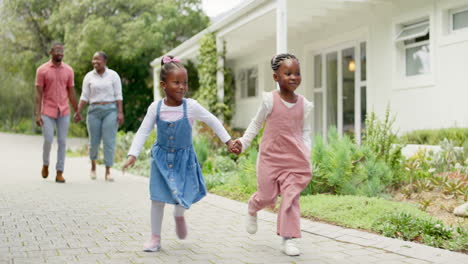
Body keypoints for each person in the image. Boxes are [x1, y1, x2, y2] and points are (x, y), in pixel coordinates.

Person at [122, 55, 237, 252]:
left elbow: (212, 120)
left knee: (183, 194)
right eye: (176, 82)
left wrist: (228, 141)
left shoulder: (190, 106)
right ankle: (155, 238)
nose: (182, 87)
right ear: (163, 85)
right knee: (157, 198)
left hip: (184, 159)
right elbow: (143, 131)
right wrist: (133, 154)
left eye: (185, 83)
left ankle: (179, 214)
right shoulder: (155, 108)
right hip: (161, 159)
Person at [232, 53, 313, 256]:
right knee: (267, 197)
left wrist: (307, 152)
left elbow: (306, 132)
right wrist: (243, 142)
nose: (294, 77)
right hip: (270, 157)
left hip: (294, 160)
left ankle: (289, 239)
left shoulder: (305, 105)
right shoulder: (269, 101)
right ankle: (253, 206)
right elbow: (256, 123)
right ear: (276, 77)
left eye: (297, 73)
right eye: (288, 73)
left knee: (291, 197)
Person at [74, 51, 124, 181]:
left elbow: (118, 95)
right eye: (93, 60)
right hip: (94, 111)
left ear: (105, 61)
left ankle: (108, 171)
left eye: (98, 60)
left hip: (110, 110)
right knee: (93, 142)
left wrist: (120, 112)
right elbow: (84, 96)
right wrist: (78, 111)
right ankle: (93, 168)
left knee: (109, 141)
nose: (95, 62)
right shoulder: (89, 77)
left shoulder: (113, 75)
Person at [35, 42, 78, 183]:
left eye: (62, 50)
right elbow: (38, 95)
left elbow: (71, 93)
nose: (60, 53)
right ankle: (45, 164)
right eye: (57, 50)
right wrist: (37, 114)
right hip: (47, 110)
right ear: (51, 52)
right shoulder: (42, 70)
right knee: (48, 139)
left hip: (64, 110)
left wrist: (77, 110)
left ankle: (59, 172)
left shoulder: (69, 70)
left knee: (62, 141)